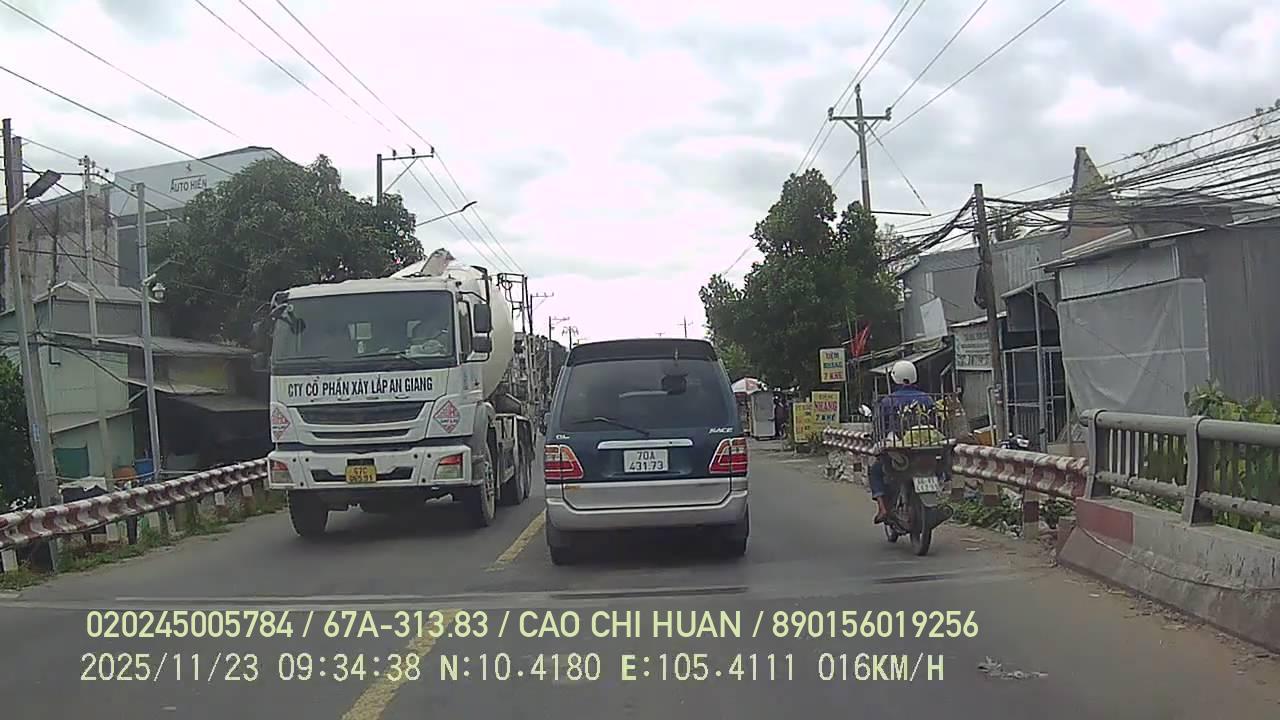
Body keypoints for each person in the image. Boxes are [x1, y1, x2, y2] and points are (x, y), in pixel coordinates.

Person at [868, 360, 934, 523]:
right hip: (926, 446)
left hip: (899, 449)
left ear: (895, 378)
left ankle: (882, 508)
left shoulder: (888, 401)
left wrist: (876, 437)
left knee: (875, 470)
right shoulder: (927, 399)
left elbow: (880, 426)